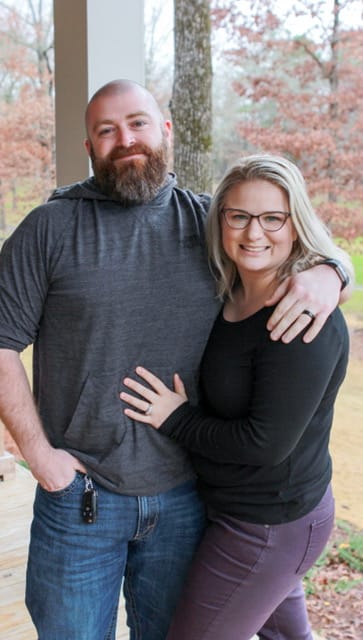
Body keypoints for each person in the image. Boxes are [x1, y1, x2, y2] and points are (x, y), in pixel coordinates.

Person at [0, 81, 350, 640]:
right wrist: (39, 456)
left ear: (166, 131)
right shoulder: (48, 230)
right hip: (81, 500)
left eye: (138, 123)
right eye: (107, 130)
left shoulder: (208, 224)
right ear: (90, 146)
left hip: (186, 497)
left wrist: (333, 271)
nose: (125, 139)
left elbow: (278, 234)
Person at [120, 154, 352, 640]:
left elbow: (264, 444)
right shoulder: (230, 291)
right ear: (220, 218)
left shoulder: (302, 316)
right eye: (240, 216)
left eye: (273, 218)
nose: (254, 233)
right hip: (240, 510)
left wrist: (176, 418)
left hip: (270, 525)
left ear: (296, 225)